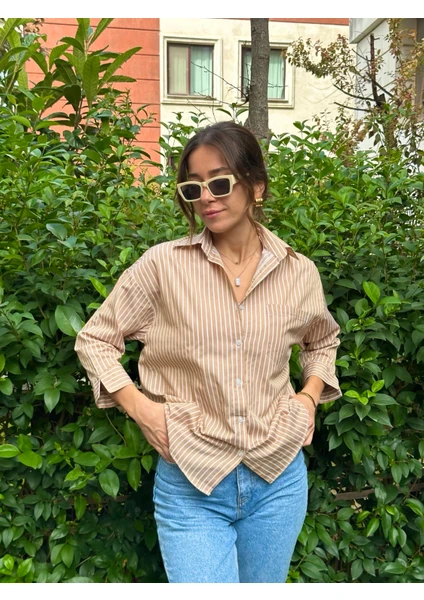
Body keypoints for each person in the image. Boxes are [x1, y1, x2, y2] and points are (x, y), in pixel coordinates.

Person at [75, 121, 341, 583]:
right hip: (191, 480)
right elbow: (95, 339)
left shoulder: (299, 272)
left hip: (278, 477)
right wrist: (142, 409)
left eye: (219, 182)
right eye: (193, 187)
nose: (206, 197)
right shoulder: (163, 266)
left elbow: (321, 339)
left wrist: (309, 396)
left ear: (256, 186)